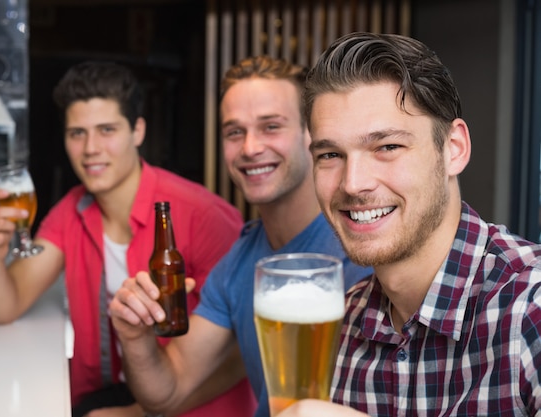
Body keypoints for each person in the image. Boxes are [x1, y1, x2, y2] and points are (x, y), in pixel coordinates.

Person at [276, 31, 541, 416]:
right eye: (331, 154)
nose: (353, 183)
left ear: (453, 149)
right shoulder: (341, 323)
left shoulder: (530, 305)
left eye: (387, 147)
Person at [0, 60, 256, 417]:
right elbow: (2, 307)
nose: (91, 147)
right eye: (77, 133)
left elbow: (247, 353)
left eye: (106, 129)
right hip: (108, 394)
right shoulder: (71, 210)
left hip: (189, 408)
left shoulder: (203, 216)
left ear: (137, 131)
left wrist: (137, 414)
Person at [108, 55, 373, 417]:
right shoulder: (238, 262)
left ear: (311, 134)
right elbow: (166, 392)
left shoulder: (366, 243)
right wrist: (134, 337)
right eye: (235, 132)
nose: (250, 148)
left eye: (270, 127)